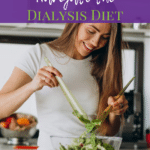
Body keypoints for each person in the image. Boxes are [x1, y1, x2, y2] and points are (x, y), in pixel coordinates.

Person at [0, 23, 128, 150]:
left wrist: (113, 113)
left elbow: (109, 132)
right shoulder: (38, 54)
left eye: (105, 37)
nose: (95, 42)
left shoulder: (106, 65)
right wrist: (32, 85)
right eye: (90, 31)